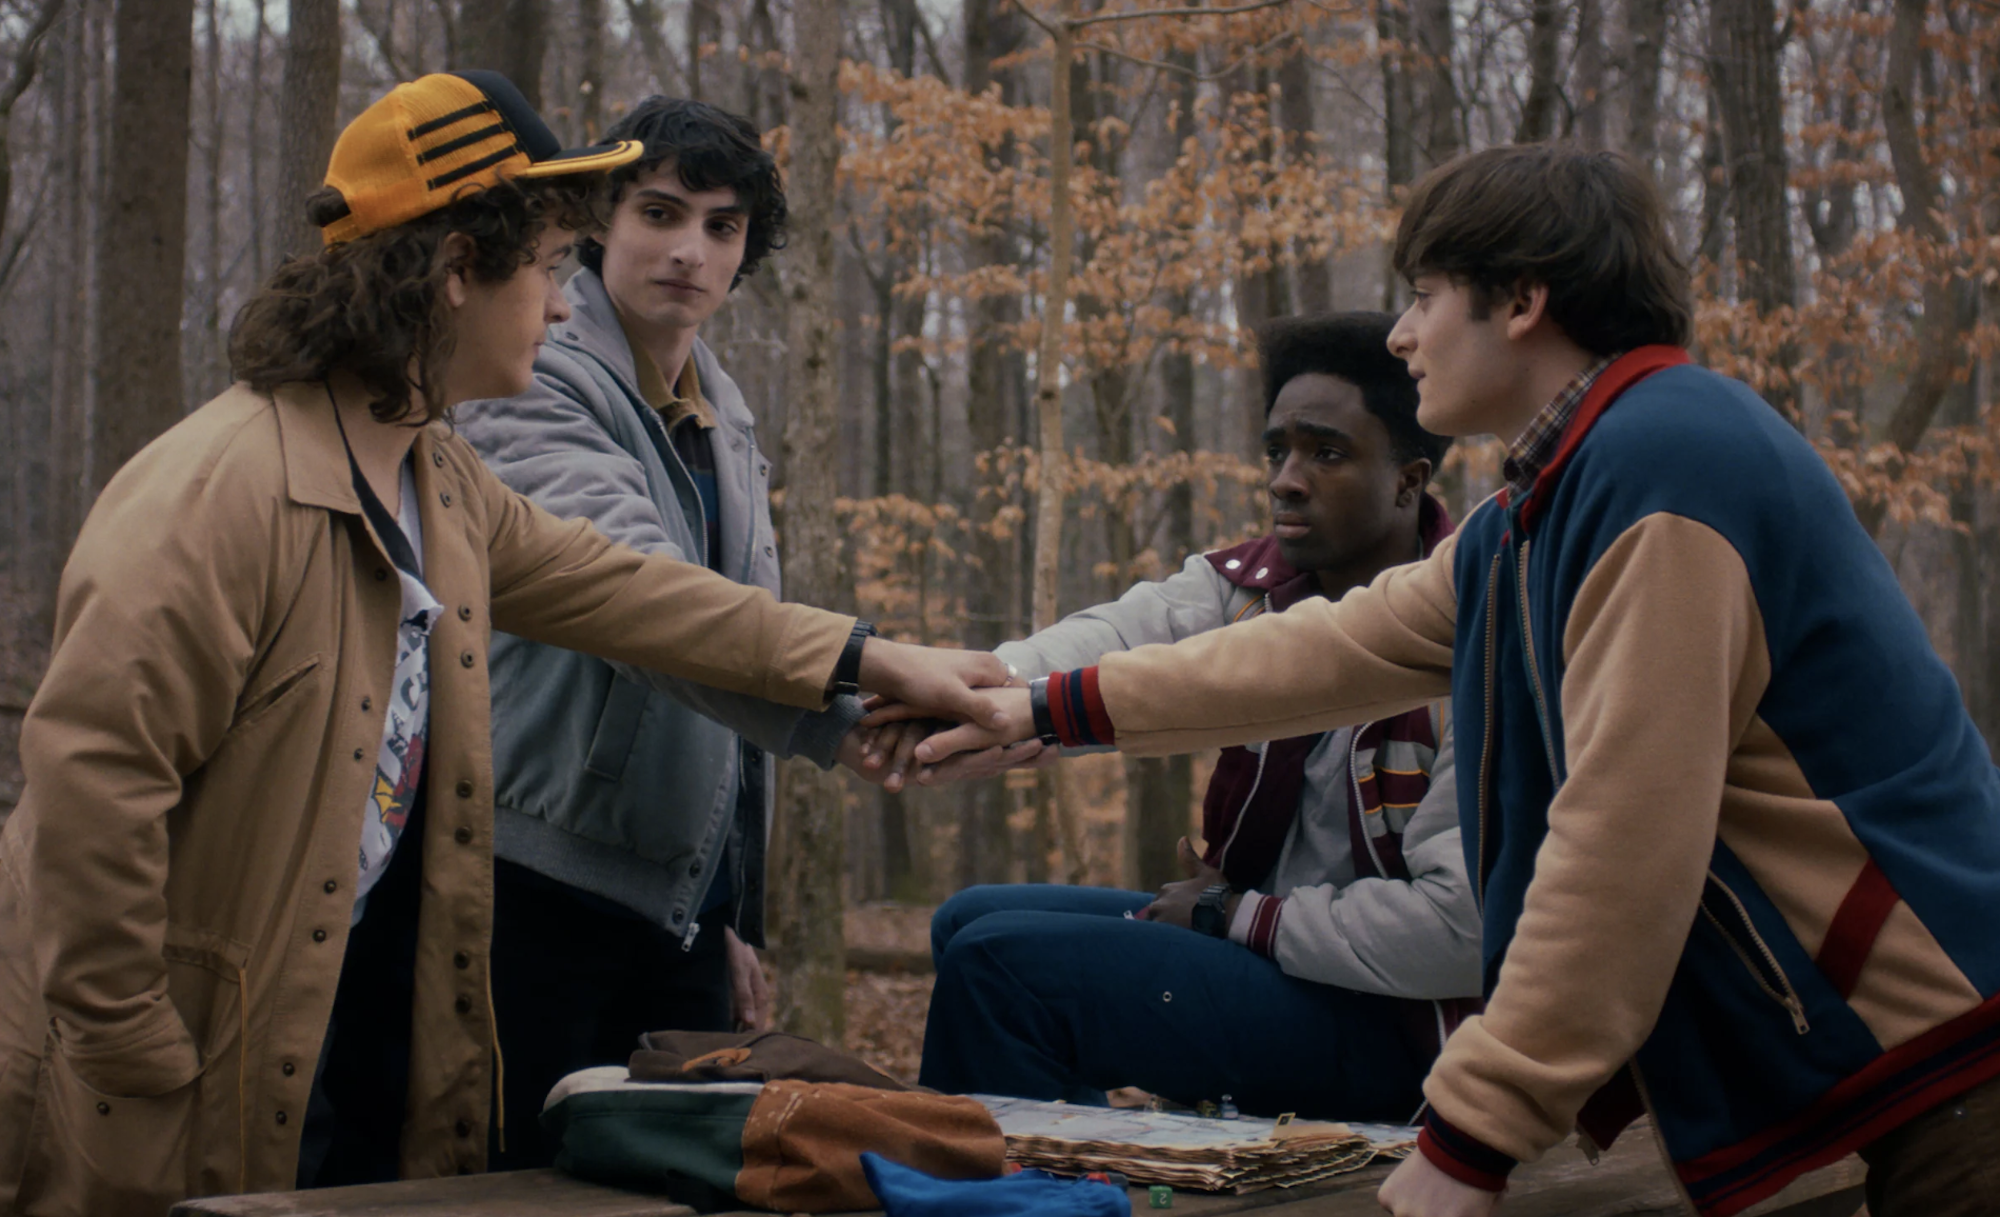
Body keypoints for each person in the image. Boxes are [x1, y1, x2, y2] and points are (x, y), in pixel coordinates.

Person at [908, 144, 2000, 1217]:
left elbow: (1619, 845)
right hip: (1888, 1064)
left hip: (1951, 1056)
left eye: (1423, 294)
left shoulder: (1664, 471)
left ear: (1519, 300)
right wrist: (1042, 706)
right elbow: (1327, 649)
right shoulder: (1542, 509)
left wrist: (1474, 1128)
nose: (1400, 332)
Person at [0, 70, 1002, 1217]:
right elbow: (92, 781)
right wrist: (136, 1049)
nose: (564, 305)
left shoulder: (437, 478)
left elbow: (633, 593)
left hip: (306, 1034)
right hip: (153, 1077)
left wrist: (874, 663)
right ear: (453, 270)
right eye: (541, 269)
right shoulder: (218, 491)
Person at [915, 313, 1478, 1123]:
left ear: (1407, 479)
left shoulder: (1468, 640)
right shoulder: (1249, 589)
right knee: (968, 918)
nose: (1286, 478)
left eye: (1326, 452)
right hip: (1272, 956)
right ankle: (1082, 1171)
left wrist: (1232, 914)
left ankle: (1022, 1186)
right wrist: (971, 689)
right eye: (1276, 449)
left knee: (999, 966)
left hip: (1398, 1027)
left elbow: (1461, 931)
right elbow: (1112, 638)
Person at [456, 96, 880, 1166]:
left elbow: (726, 683)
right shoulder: (529, 372)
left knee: (670, 1187)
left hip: (674, 905)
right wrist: (865, 697)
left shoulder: (722, 411)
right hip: (532, 880)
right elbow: (655, 605)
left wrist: (729, 904)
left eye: (722, 227)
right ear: (602, 221)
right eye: (659, 212)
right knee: (519, 1182)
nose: (688, 251)